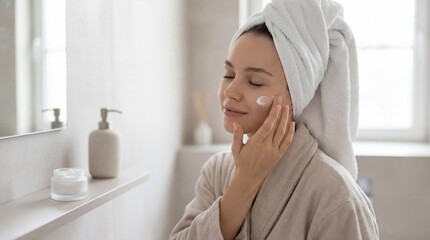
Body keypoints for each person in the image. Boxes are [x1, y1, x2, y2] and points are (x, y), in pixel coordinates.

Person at [170, 0, 379, 239]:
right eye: (229, 74)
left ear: (295, 96)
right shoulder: (217, 171)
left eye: (255, 82)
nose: (230, 91)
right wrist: (243, 184)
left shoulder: (337, 196)